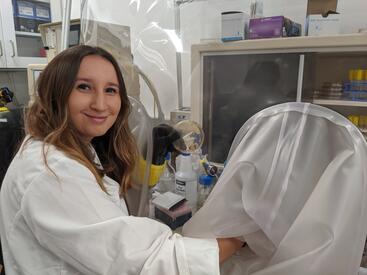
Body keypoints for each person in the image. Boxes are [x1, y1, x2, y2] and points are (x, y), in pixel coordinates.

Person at [0, 45, 243, 274]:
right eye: (84, 87)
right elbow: (149, 262)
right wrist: (240, 237)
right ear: (55, 93)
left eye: (110, 90)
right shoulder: (53, 172)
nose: (100, 104)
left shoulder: (70, 149)